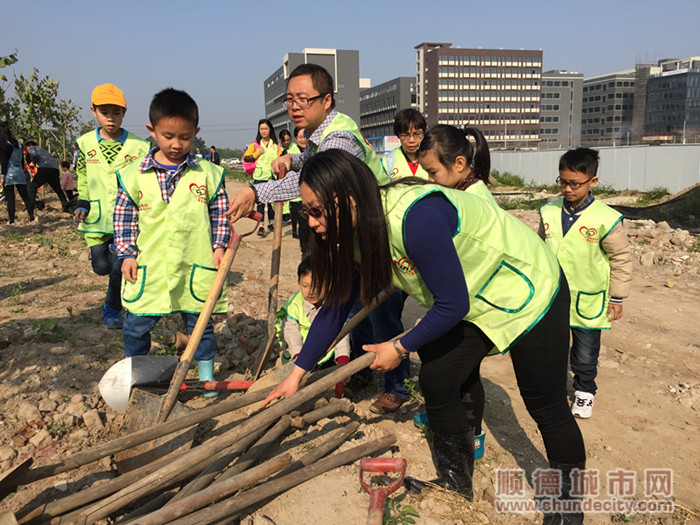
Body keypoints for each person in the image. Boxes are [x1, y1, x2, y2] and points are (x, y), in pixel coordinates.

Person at [263, 150, 586, 523]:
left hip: (528, 289)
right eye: (307, 211)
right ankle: (455, 481)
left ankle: (567, 508)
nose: (313, 222)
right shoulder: (347, 232)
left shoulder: (415, 217)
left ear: (349, 197)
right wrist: (297, 374)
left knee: (545, 405)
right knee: (438, 377)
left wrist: (398, 347)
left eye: (317, 210)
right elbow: (334, 307)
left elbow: (451, 304)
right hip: (470, 299)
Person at [113, 88, 230, 398]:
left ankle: (205, 377)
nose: (176, 144)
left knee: (200, 323)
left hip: (195, 262)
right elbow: (124, 220)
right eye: (168, 136)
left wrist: (219, 247)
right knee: (137, 324)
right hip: (149, 265)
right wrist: (126, 254)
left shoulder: (208, 174)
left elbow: (220, 215)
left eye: (185, 137)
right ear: (152, 131)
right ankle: (137, 376)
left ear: (196, 133)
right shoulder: (133, 176)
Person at [539, 148, 632, 420]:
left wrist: (617, 297)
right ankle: (554, 386)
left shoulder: (605, 218)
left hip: (588, 297)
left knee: (585, 349)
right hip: (553, 294)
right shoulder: (549, 211)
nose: (567, 189)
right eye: (563, 182)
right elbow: (539, 247)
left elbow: (621, 259)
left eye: (574, 184)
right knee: (552, 344)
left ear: (593, 182)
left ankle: (584, 390)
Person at [74, 83, 150, 328]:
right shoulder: (85, 143)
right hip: (96, 216)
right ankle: (110, 263)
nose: (110, 118)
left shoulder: (139, 146)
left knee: (118, 265)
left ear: (124, 113)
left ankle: (112, 308)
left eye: (116, 112)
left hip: (125, 219)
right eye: (105, 112)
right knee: (101, 266)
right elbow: (83, 176)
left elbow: (144, 180)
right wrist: (82, 200)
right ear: (94, 111)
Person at [276, 256, 351, 398]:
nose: (311, 291)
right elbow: (291, 333)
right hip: (297, 355)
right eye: (305, 286)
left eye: (317, 286)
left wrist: (343, 360)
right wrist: (300, 357)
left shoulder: (334, 304)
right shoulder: (294, 304)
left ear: (329, 284)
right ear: (299, 283)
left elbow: (342, 333)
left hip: (325, 355)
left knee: (330, 379)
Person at [243, 119, 280, 236]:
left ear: (270, 130)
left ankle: (271, 223)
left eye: (266, 129)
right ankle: (261, 226)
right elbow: (246, 158)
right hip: (259, 177)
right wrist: (257, 153)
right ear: (259, 130)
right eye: (261, 129)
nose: (263, 131)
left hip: (272, 177)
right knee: (260, 203)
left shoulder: (276, 145)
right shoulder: (255, 144)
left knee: (271, 202)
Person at [0, 122, 35, 225]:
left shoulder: (3, 144)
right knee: (25, 196)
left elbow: (4, 162)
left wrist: (2, 176)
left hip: (9, 173)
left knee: (10, 198)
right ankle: (32, 218)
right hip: (20, 172)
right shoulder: (18, 143)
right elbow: (21, 160)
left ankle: (11, 221)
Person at [381, 108, 429, 181]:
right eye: (406, 135)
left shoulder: (432, 158)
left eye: (417, 134)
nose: (411, 140)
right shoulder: (387, 163)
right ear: (398, 135)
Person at [25, 141, 70, 212]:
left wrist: (34, 162)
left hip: (45, 169)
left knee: (32, 186)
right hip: (54, 169)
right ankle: (65, 205)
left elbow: (34, 155)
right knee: (57, 189)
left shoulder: (32, 148)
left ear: (28, 147)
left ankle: (30, 206)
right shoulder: (42, 150)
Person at [287, 127, 307, 246]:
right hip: (297, 196)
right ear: (296, 139)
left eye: (305, 136)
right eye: (300, 137)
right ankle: (304, 250)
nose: (303, 139)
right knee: (302, 223)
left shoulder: (315, 149)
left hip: (312, 196)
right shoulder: (290, 154)